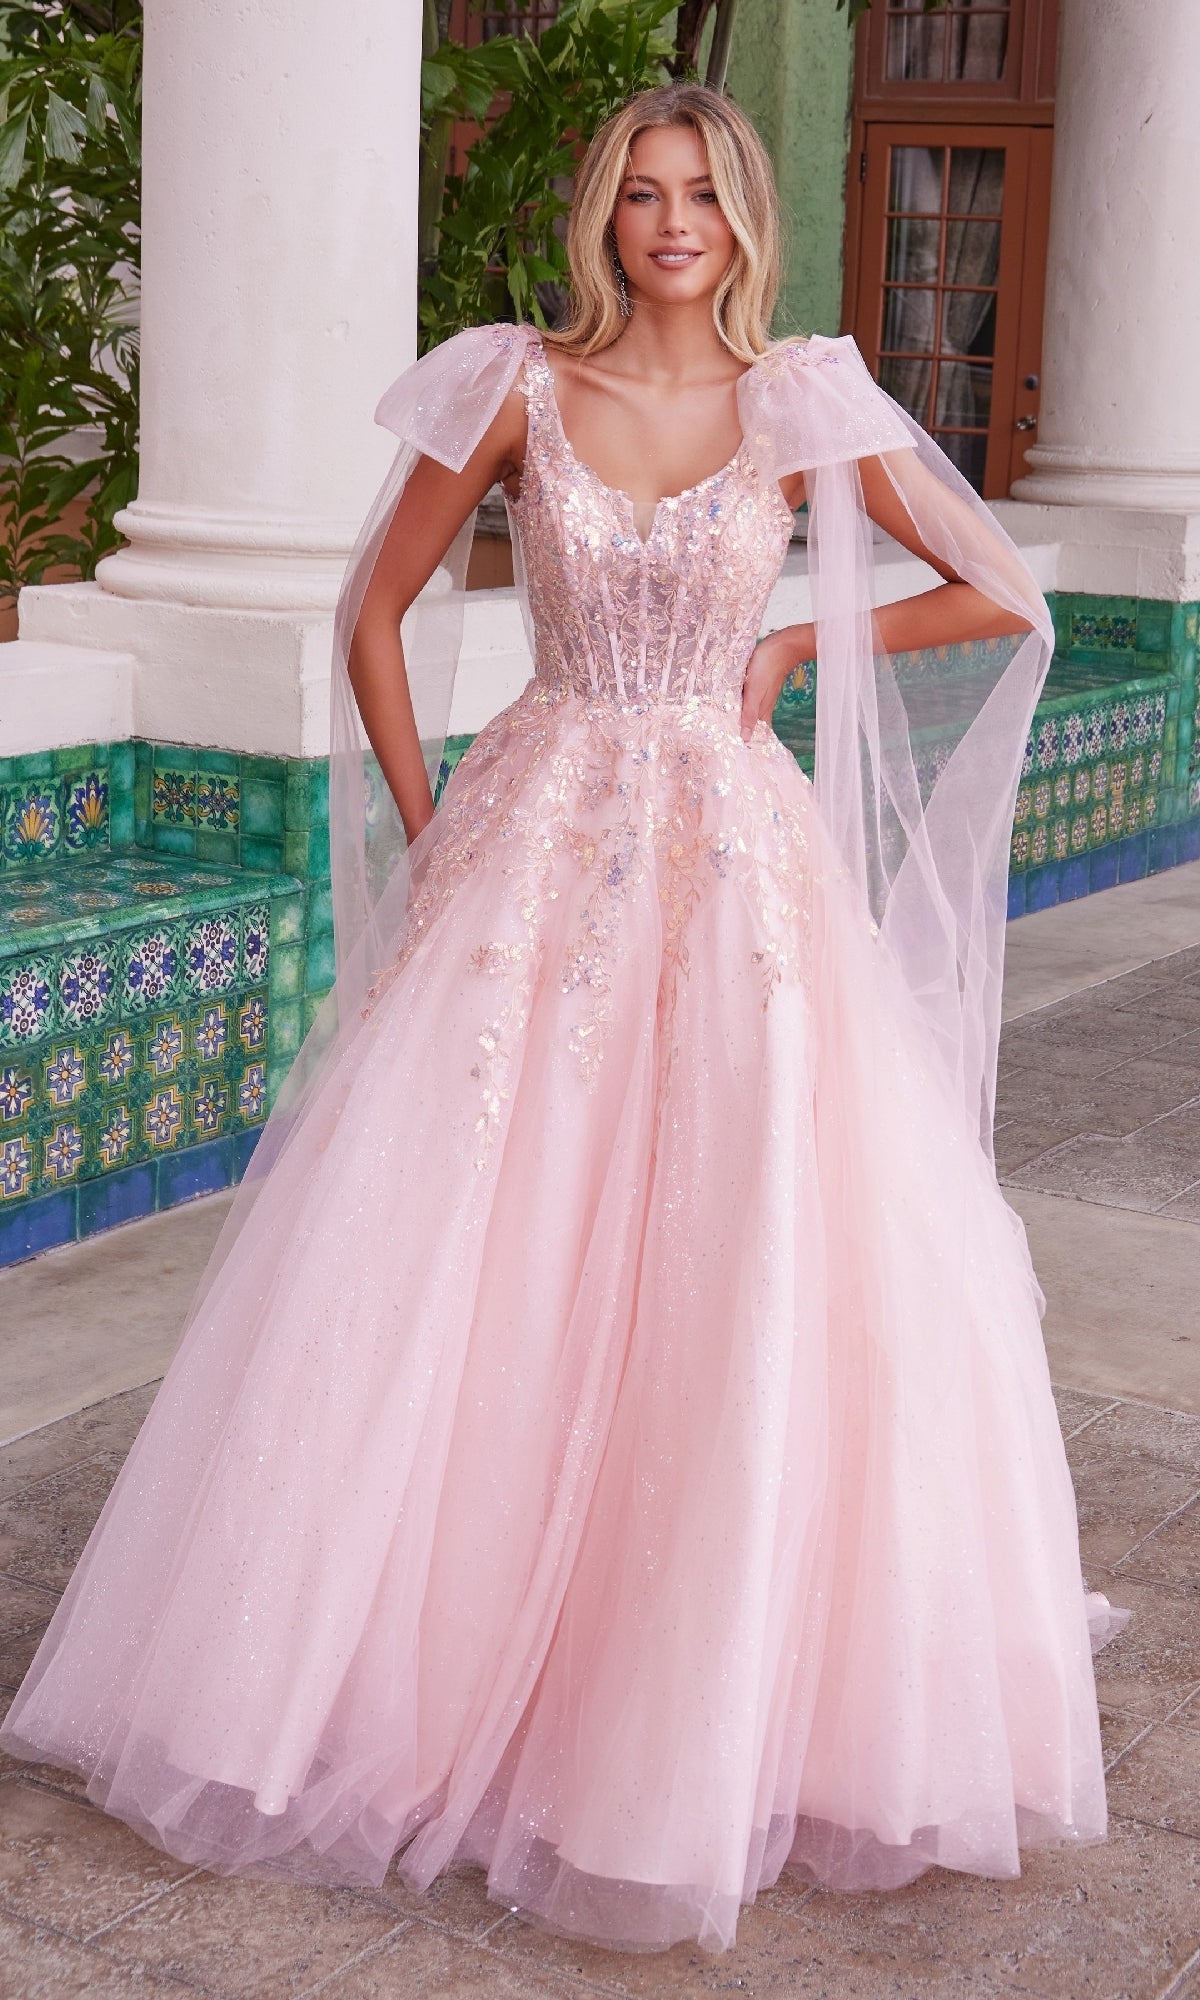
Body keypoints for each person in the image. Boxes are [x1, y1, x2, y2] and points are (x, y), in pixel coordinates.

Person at [0, 81, 1129, 1958]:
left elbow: (1000, 589)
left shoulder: (807, 401)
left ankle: (689, 1689)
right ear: (605, 216)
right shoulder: (514, 384)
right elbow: (375, 614)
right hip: (534, 850)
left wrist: (778, 645)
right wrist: (435, 825)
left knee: (739, 1245)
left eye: (700, 193)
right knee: (474, 1248)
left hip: (738, 870)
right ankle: (421, 1676)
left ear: (740, 215)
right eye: (640, 194)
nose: (669, 222)